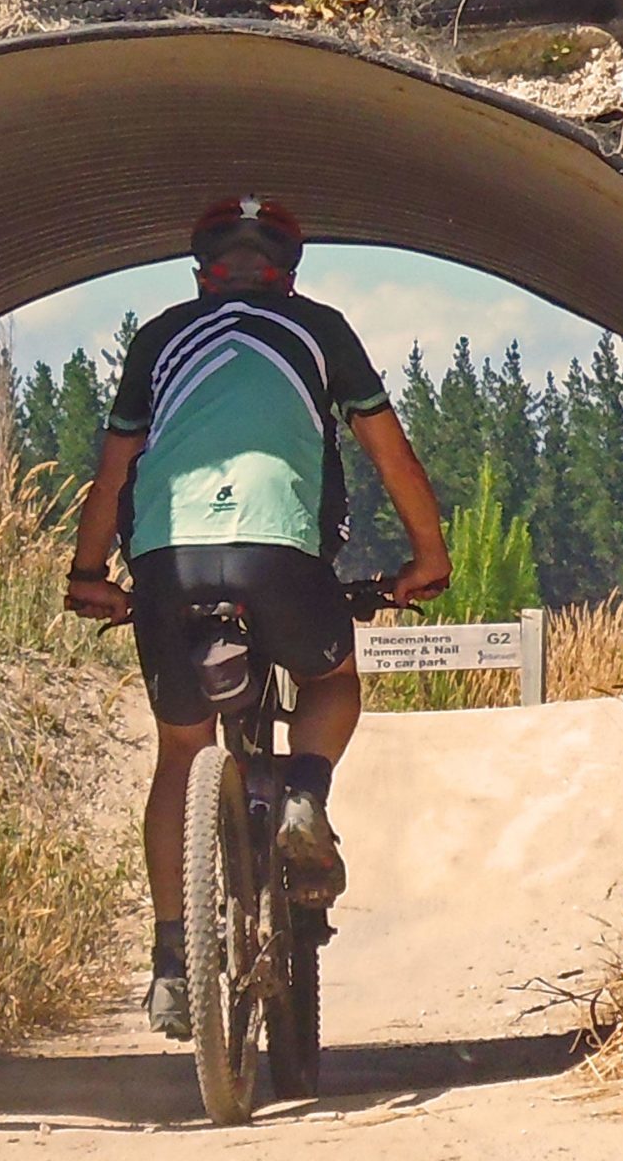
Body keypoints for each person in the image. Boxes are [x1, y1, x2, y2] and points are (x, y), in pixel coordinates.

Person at [62, 196, 451, 1039]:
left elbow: (114, 465)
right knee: (331, 677)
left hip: (167, 559)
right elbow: (391, 454)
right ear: (290, 270)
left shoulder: (161, 337)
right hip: (281, 553)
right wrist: (429, 559)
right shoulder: (318, 330)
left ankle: (173, 964)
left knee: (180, 749)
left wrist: (91, 572)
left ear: (200, 272)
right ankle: (305, 794)